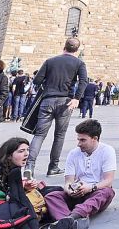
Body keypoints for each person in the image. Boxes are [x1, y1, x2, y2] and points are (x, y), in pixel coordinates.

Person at [27, 37, 88, 176]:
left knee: (39, 135)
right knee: (59, 135)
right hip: (65, 102)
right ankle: (53, 166)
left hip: (47, 100)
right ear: (77, 50)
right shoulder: (79, 63)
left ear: (64, 46)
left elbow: (37, 80)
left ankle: (29, 167)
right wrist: (76, 98)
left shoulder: (50, 61)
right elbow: (84, 81)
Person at [44, 120, 116, 229]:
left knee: (107, 192)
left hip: (96, 191)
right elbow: (68, 181)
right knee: (52, 196)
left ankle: (72, 217)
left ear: (95, 139)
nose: (79, 144)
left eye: (83, 140)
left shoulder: (107, 151)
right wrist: (69, 189)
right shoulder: (73, 153)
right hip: (78, 192)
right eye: (78, 139)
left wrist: (90, 188)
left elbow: (108, 181)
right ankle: (68, 221)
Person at [0, 137, 44, 229]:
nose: (26, 154)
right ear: (9, 155)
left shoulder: (12, 164)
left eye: (27, 150)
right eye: (21, 151)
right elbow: (9, 196)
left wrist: (25, 186)